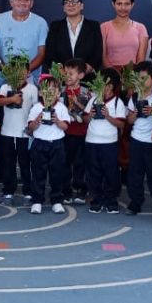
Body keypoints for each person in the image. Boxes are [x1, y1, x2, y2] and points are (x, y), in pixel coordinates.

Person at [0, 57, 36, 207]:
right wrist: (12, 99)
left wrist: (32, 127)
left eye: (22, 70)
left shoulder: (32, 89)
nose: (18, 73)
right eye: (14, 70)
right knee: (8, 164)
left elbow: (37, 108)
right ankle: (8, 192)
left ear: (28, 72)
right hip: (7, 132)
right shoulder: (6, 87)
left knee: (26, 164)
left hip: (25, 133)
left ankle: (28, 193)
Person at [124, 61, 152, 216]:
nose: (141, 82)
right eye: (139, 78)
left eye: (145, 78)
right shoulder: (134, 96)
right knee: (135, 174)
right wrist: (134, 113)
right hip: (136, 140)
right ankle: (135, 202)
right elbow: (129, 121)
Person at [27, 73, 71, 214]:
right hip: (39, 143)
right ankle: (37, 200)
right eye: (46, 90)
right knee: (38, 173)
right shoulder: (36, 107)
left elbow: (66, 127)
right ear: (40, 92)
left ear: (59, 93)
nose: (49, 94)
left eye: (53, 91)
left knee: (57, 173)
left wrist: (57, 120)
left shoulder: (61, 108)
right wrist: (38, 120)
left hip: (57, 144)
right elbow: (30, 128)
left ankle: (57, 200)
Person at [83, 67, 125, 214]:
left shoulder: (117, 102)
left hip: (109, 143)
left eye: (104, 84)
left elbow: (121, 124)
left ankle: (111, 200)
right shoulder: (93, 99)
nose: (101, 88)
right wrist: (92, 115)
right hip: (92, 141)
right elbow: (85, 119)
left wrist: (108, 116)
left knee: (111, 172)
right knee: (93, 172)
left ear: (111, 86)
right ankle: (97, 199)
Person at [0, 0, 49, 83]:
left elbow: (42, 53)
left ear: (31, 3)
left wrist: (24, 71)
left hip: (30, 77)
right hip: (2, 76)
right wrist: (6, 70)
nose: (22, 2)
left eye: (26, 0)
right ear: (11, 1)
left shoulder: (41, 23)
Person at [43, 0, 103, 72]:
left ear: (82, 6)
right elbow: (50, 54)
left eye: (74, 1)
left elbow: (97, 54)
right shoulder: (55, 26)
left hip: (87, 79)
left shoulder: (93, 26)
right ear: (64, 8)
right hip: (62, 79)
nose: (70, 4)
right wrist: (62, 72)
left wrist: (83, 71)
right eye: (66, 2)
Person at [60, 59, 90, 204]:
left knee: (80, 163)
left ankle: (80, 189)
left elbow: (87, 111)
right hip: (64, 133)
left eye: (71, 74)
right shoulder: (59, 90)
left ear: (81, 75)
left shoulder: (86, 92)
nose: (68, 76)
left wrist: (76, 101)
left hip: (81, 132)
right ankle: (65, 190)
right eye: (65, 73)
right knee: (64, 162)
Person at [101, 0, 148, 69]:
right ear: (113, 4)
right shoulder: (104, 27)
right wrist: (114, 74)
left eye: (127, 4)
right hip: (110, 75)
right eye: (119, 4)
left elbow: (141, 58)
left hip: (133, 75)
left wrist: (132, 75)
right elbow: (103, 56)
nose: (123, 8)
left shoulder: (141, 28)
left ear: (132, 5)